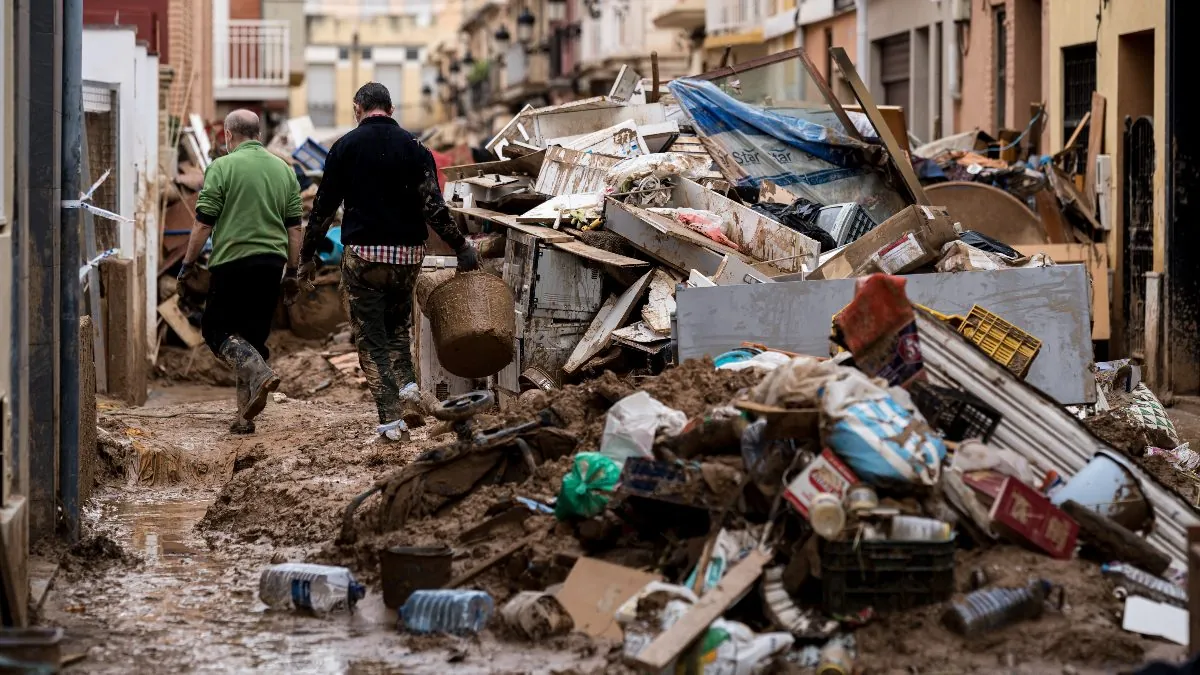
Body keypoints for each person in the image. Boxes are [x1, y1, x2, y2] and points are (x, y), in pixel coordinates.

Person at [300, 82, 478, 439]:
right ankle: (409, 391)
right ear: (391, 110)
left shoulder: (344, 148)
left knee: (370, 337)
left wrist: (307, 256)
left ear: (357, 108)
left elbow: (323, 209)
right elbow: (434, 208)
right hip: (408, 255)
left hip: (365, 255)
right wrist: (462, 246)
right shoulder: (416, 149)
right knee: (398, 327)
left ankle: (391, 422)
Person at [178, 109, 304, 434]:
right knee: (250, 341)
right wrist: (292, 271)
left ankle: (259, 379)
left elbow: (203, 222)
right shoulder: (283, 169)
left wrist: (188, 264)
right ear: (259, 134)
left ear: (228, 136)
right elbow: (295, 229)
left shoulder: (221, 167)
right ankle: (243, 419)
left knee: (216, 331)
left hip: (232, 263)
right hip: (271, 265)